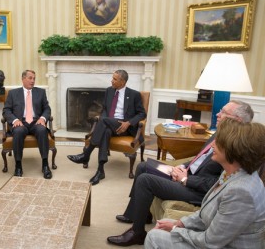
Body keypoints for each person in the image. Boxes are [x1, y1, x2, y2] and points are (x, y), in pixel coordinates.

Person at [106, 100, 254, 246]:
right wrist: (182, 166)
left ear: (237, 119)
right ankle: (137, 214)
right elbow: (199, 158)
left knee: (146, 180)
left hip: (196, 190)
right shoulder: (219, 133)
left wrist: (186, 179)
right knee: (143, 166)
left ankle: (137, 233)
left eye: (223, 112)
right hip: (187, 174)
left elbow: (217, 184)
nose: (218, 113)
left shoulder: (236, 147)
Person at [145, 118, 265, 249]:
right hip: (215, 239)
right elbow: (205, 214)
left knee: (154, 237)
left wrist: (174, 229)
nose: (212, 145)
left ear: (234, 149)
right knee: (164, 224)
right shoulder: (230, 173)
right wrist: (180, 223)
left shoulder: (241, 192)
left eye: (218, 143)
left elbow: (210, 242)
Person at [67, 69, 146, 185]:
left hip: (124, 127)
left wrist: (128, 123)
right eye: (112, 78)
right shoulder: (109, 91)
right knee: (106, 131)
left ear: (123, 82)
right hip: (109, 124)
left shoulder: (134, 94)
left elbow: (142, 114)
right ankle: (100, 171)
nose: (112, 81)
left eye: (115, 79)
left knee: (103, 121)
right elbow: (104, 110)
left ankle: (86, 154)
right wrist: (104, 118)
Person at [2, 69, 52, 179]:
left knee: (42, 130)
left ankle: (45, 165)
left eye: (34, 78)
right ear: (23, 79)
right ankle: (18, 166)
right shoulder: (13, 93)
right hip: (21, 121)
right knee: (19, 131)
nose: (33, 81)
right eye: (30, 78)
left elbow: (47, 109)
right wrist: (15, 120)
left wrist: (43, 118)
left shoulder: (41, 92)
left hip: (36, 121)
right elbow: (6, 110)